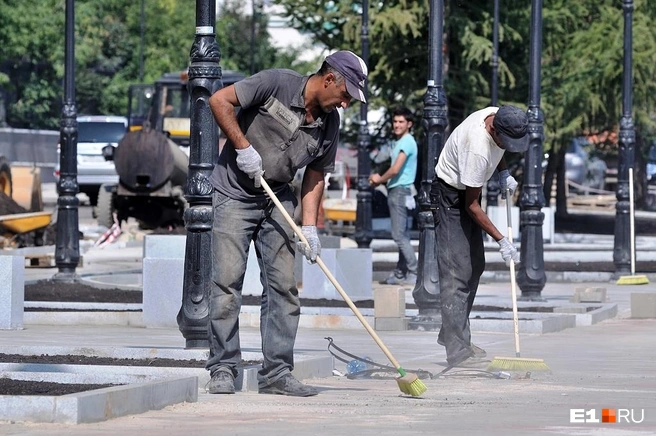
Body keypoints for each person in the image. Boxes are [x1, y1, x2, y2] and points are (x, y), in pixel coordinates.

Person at [205, 50, 368, 397]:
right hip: (234, 193)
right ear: (329, 79)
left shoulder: (329, 123)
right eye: (345, 94)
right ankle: (223, 367)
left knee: (283, 287)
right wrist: (243, 147)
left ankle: (276, 372)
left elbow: (316, 174)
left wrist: (309, 228)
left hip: (278, 197)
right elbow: (218, 101)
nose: (346, 104)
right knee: (226, 283)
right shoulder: (275, 83)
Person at [432, 105, 528, 368]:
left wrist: (503, 171)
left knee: (475, 265)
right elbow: (471, 206)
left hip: (467, 193)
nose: (507, 145)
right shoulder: (477, 148)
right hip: (451, 197)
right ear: (494, 129)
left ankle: (452, 333)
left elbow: (499, 150)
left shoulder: (500, 115)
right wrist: (502, 240)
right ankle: (458, 349)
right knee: (456, 271)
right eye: (505, 141)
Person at [369, 107, 418, 285]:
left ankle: (413, 271)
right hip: (400, 191)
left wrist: (378, 180)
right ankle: (400, 272)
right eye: (395, 121)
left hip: (399, 191)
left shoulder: (406, 142)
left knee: (399, 236)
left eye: (401, 122)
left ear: (409, 124)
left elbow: (395, 169)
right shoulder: (402, 142)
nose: (397, 125)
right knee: (402, 234)